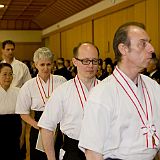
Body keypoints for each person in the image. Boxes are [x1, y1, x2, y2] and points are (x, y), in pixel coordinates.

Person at [78, 22, 160, 160]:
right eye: (143, 44)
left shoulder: (153, 87)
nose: (151, 49)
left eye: (150, 43)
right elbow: (92, 153)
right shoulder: (102, 93)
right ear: (123, 49)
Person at [37, 42, 100, 160]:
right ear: (75, 61)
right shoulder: (62, 91)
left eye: (94, 61)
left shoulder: (107, 90)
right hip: (73, 150)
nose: (91, 65)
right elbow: (46, 127)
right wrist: (51, 158)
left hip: (102, 149)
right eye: (85, 61)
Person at [15, 47, 67, 160]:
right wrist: (36, 125)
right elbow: (23, 113)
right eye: (42, 64)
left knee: (56, 155)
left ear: (53, 64)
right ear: (35, 65)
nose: (45, 68)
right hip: (37, 125)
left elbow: (68, 105)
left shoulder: (61, 81)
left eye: (48, 64)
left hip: (57, 127)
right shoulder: (29, 85)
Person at [0, 63, 22, 160]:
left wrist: (22, 136)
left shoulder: (19, 91)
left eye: (10, 74)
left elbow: (23, 115)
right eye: (4, 74)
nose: (8, 77)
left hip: (15, 126)